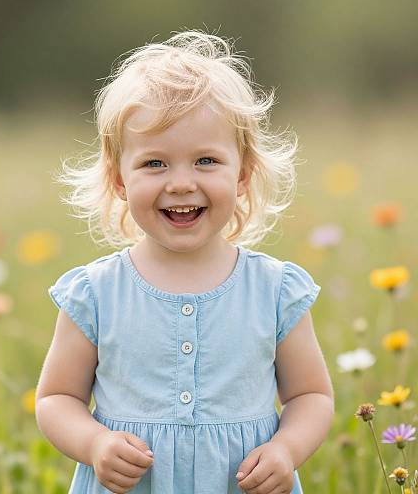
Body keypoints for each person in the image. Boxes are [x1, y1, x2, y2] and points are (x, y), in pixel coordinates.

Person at [35, 29, 334, 494]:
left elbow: (310, 395)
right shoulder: (95, 293)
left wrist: (286, 449)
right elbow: (56, 398)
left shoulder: (275, 289)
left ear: (243, 174)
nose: (180, 183)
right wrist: (94, 443)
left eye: (206, 160)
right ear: (119, 179)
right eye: (155, 163)